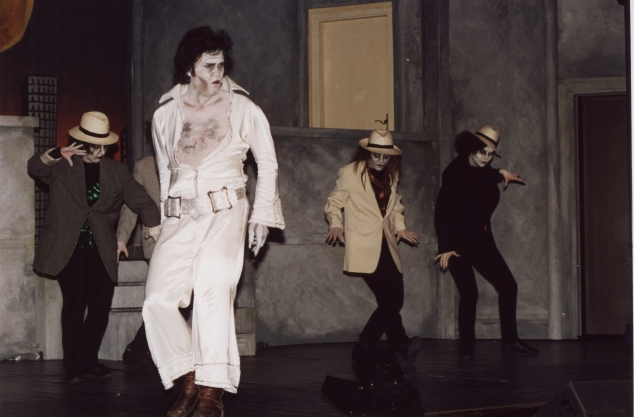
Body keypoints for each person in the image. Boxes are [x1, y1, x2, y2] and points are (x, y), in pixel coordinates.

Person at [142, 26, 285, 417]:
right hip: (179, 215)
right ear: (190, 67)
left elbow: (267, 162)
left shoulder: (244, 109)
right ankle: (190, 375)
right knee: (156, 300)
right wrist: (163, 220)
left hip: (226, 212)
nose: (218, 72)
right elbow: (164, 170)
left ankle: (210, 392)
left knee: (213, 293)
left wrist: (262, 216)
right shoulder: (165, 114)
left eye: (222, 64)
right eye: (210, 65)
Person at [27, 111, 161, 383]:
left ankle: (89, 360)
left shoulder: (117, 172)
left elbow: (142, 201)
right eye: (95, 147)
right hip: (67, 247)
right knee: (75, 304)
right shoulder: (62, 165)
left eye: (104, 147)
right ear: (82, 144)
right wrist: (56, 153)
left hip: (100, 247)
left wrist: (156, 229)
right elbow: (35, 168)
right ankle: (73, 364)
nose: (100, 152)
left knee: (100, 306)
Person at [434, 125, 539, 357]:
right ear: (471, 148)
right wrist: (446, 248)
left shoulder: (483, 169)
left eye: (491, 154)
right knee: (470, 294)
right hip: (456, 244)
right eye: (483, 152)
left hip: (481, 241)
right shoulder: (454, 175)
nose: (486, 158)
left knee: (508, 286)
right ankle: (466, 347)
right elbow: (441, 213)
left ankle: (511, 341)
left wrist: (501, 172)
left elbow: (484, 175)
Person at [325, 130, 423, 365]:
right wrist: (336, 223)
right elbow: (334, 202)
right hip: (363, 244)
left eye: (385, 156)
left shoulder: (391, 174)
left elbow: (396, 205)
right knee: (391, 302)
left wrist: (400, 227)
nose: (380, 160)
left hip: (387, 243)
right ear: (367, 153)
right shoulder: (349, 173)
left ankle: (398, 344)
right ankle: (369, 345)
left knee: (392, 299)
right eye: (376, 155)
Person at [116, 154, 160, 368]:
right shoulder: (144, 165)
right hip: (157, 243)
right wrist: (121, 238)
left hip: (189, 241)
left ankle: (140, 347)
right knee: (161, 299)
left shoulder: (191, 157)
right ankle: (140, 347)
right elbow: (131, 206)